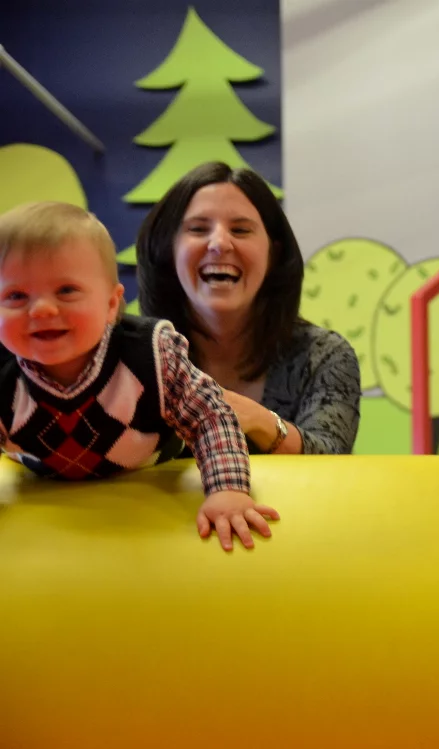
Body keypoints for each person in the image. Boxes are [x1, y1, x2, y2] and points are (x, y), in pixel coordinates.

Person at [0, 202, 277, 551]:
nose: (41, 309)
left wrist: (228, 491)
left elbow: (210, 417)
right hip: (45, 481)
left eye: (66, 290)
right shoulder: (5, 376)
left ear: (112, 305)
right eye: (15, 296)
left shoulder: (151, 356)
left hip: (152, 468)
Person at [136, 162, 360, 455]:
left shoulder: (324, 356)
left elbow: (334, 458)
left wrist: (260, 421)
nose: (219, 243)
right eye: (198, 229)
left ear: (273, 253)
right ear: (168, 251)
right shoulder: (133, 357)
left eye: (240, 230)